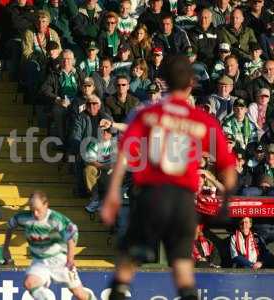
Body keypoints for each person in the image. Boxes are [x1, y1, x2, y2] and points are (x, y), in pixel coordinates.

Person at [101, 55, 237, 300]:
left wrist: (112, 192)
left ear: (164, 82)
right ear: (191, 84)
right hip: (184, 200)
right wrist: (227, 200)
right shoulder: (203, 121)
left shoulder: (148, 114)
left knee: (126, 266)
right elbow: (228, 166)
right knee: (183, 270)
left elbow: (124, 152)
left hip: (151, 195)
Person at [3, 191, 97, 300]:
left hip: (60, 260)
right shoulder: (23, 218)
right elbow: (10, 227)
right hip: (40, 261)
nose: (35, 214)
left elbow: (72, 235)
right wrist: (5, 248)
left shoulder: (55, 219)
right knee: (29, 283)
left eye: (38, 210)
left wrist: (70, 258)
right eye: (32, 210)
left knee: (80, 295)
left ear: (46, 205)